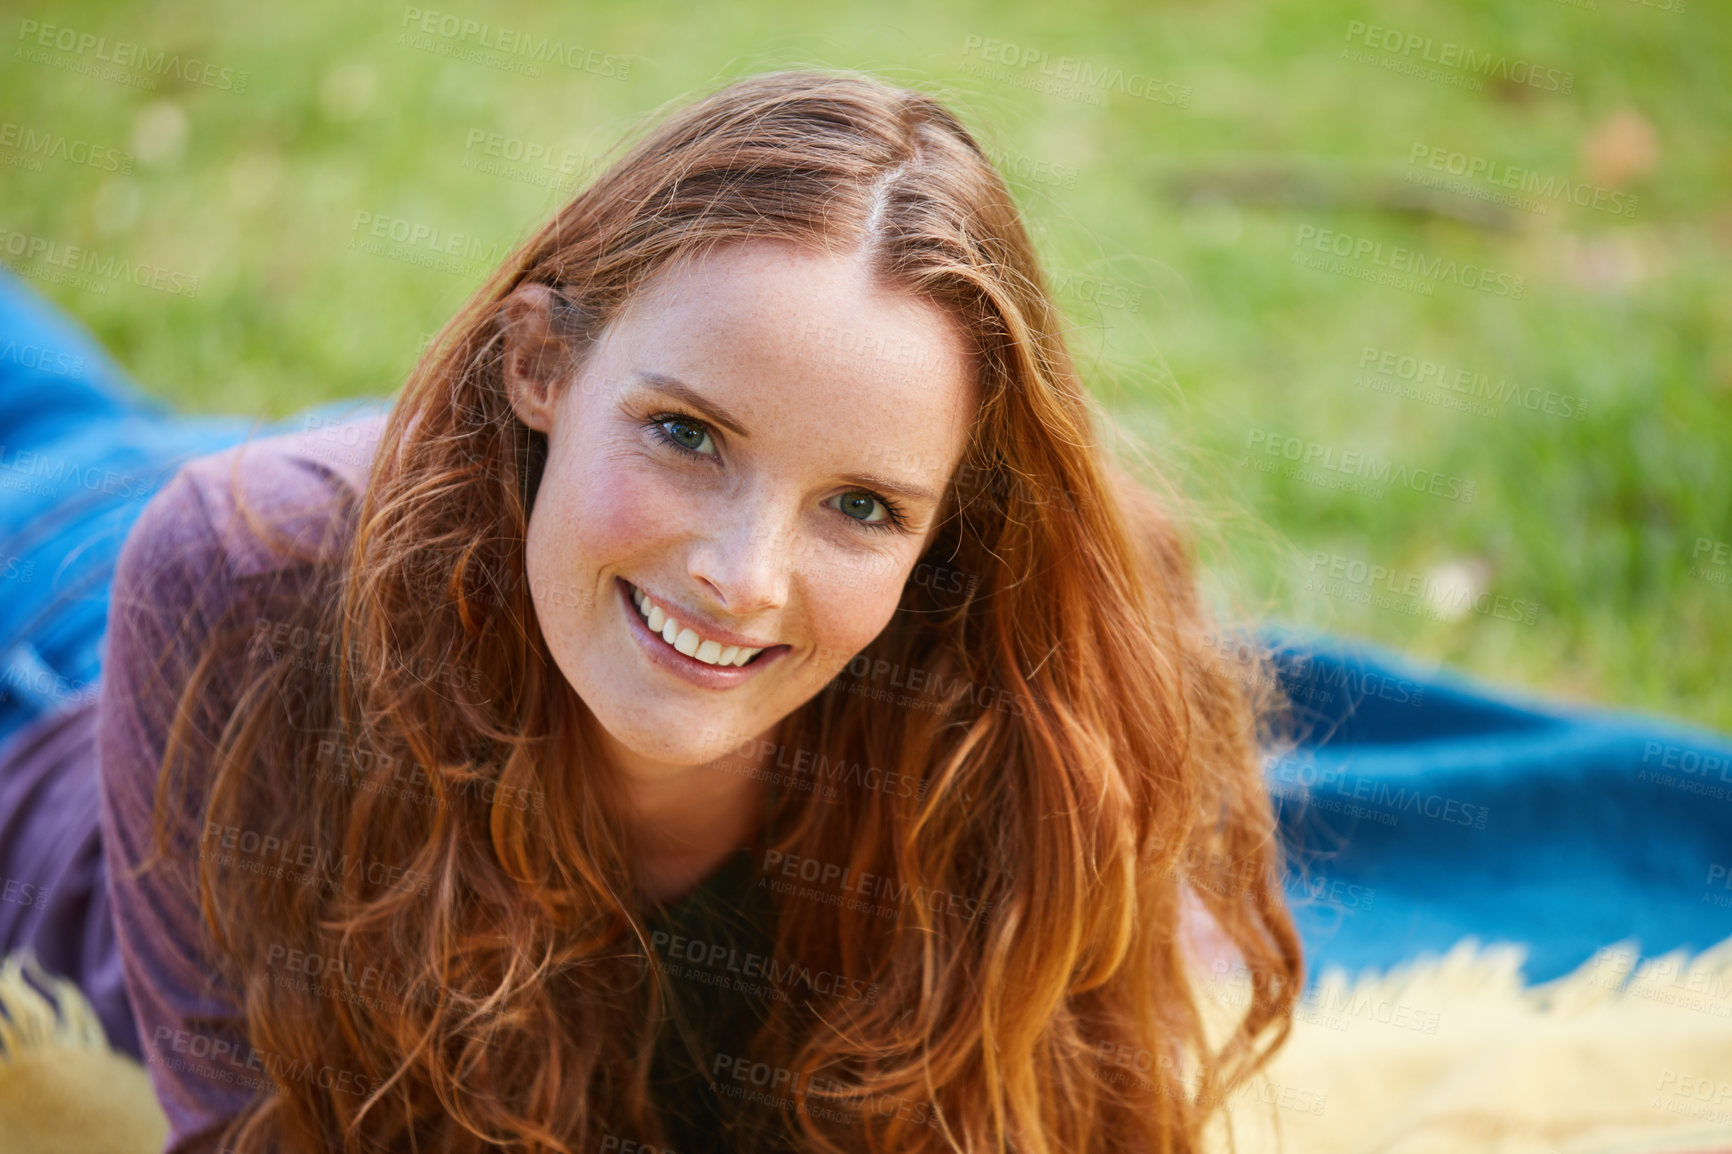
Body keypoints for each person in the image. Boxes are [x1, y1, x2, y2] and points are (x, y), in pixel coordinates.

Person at [0, 70, 1304, 1154]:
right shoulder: (244, 584)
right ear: (542, 363)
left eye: (861, 507)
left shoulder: (1046, 686)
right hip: (63, 599)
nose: (743, 574)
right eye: (687, 432)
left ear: (946, 537)